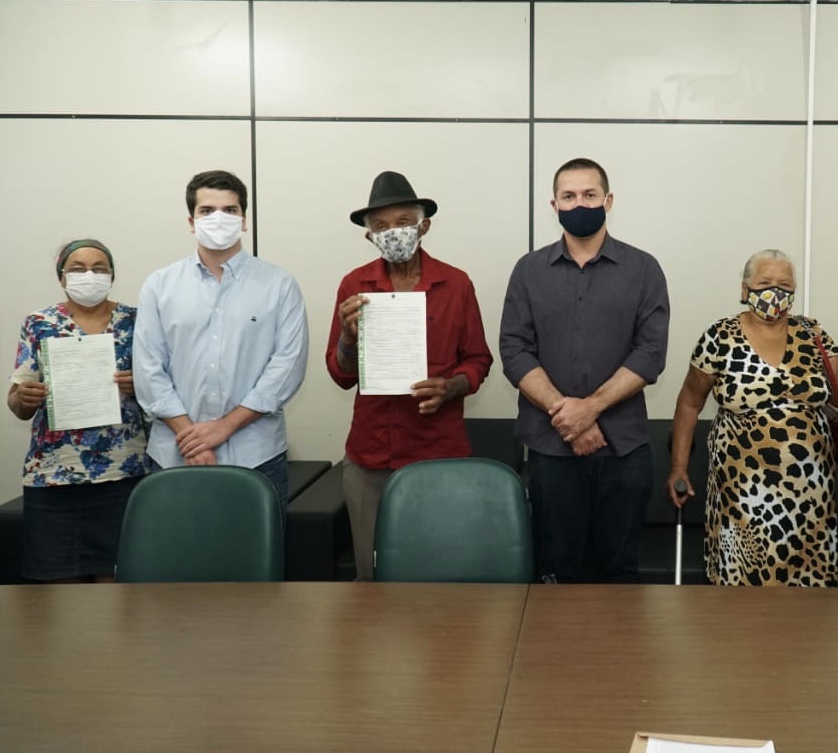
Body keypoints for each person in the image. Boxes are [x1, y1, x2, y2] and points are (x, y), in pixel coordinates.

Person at [500, 157, 669, 584]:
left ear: (608, 201)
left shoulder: (643, 269)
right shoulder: (528, 271)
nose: (580, 204)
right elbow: (514, 350)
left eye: (590, 195)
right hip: (550, 450)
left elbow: (650, 353)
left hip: (624, 451)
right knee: (556, 573)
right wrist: (569, 417)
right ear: (554, 205)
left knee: (620, 575)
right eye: (569, 196)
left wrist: (590, 408)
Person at [327, 171, 493, 581]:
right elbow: (341, 375)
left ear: (424, 226)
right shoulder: (354, 285)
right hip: (370, 458)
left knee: (442, 573)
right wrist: (348, 339)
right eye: (381, 226)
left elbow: (478, 360)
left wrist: (451, 387)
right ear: (369, 236)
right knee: (372, 577)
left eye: (403, 221)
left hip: (439, 454)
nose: (393, 232)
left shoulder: (456, 283)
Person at [133, 170, 308, 513]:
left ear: (244, 220)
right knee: (172, 548)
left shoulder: (279, 284)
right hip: (175, 454)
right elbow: (148, 368)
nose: (219, 218)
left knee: (256, 548)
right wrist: (193, 438)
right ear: (191, 221)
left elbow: (287, 366)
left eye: (230, 210)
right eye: (207, 210)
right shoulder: (159, 285)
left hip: (257, 456)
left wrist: (224, 427)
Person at [666, 249, 838, 586]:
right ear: (745, 289)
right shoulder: (720, 336)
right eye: (765, 283)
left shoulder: (815, 334)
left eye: (784, 285)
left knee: (810, 594)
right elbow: (689, 403)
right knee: (742, 588)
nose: (775, 292)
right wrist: (678, 468)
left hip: (809, 497)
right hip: (742, 493)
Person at [8, 239, 150, 582]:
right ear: (62, 277)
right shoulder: (39, 323)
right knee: (59, 590)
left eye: (99, 268)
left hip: (123, 474)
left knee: (117, 586)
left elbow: (163, 391)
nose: (89, 275)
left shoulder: (137, 321)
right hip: (54, 474)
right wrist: (24, 398)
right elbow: (17, 401)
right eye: (78, 268)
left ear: (111, 275)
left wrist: (142, 386)